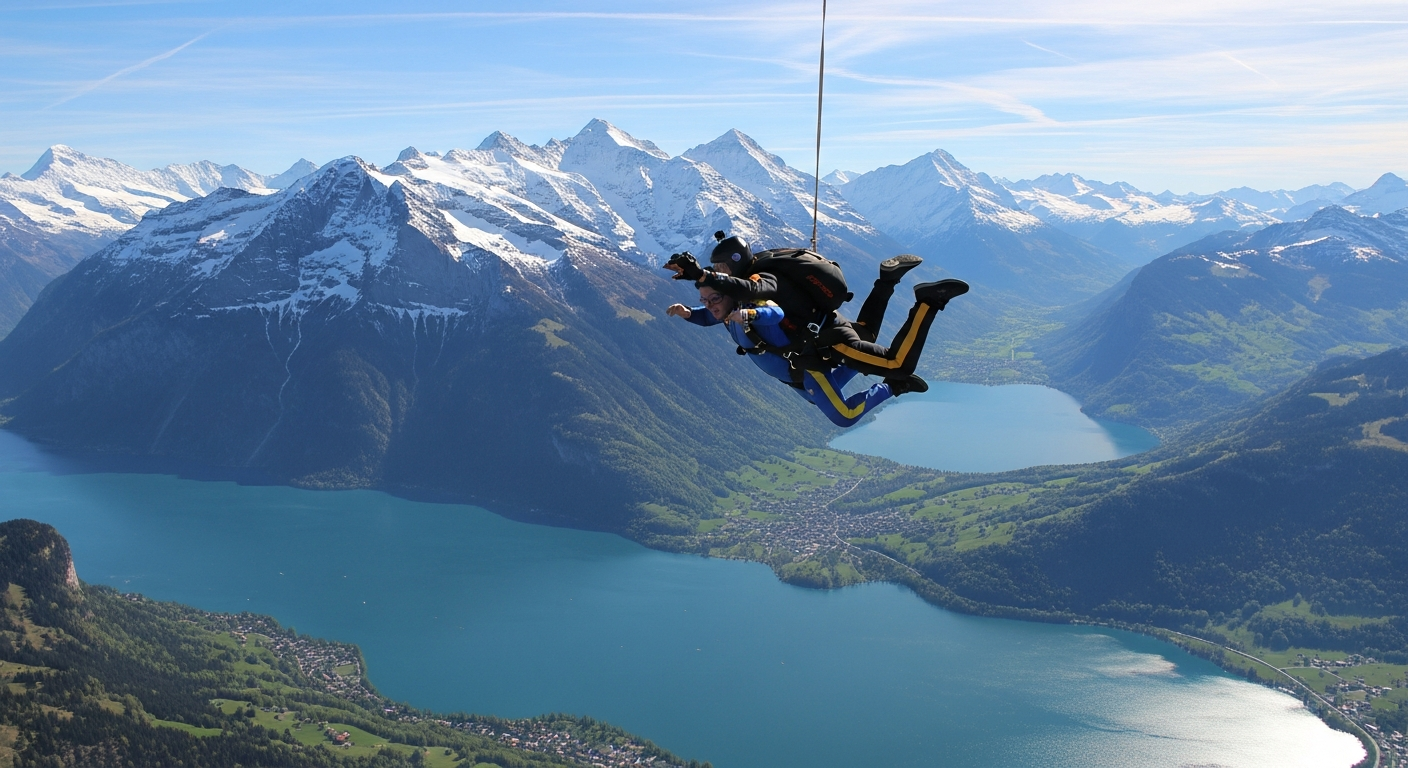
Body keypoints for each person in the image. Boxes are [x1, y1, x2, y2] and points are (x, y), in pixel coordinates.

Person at [666, 235, 968, 382]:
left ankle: (928, 301)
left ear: (735, 262)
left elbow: (752, 289)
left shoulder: (761, 278)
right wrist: (691, 304)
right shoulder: (763, 264)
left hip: (828, 340)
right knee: (866, 333)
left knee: (897, 365)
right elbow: (716, 311)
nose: (719, 273)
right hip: (828, 324)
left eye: (721, 267)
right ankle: (887, 280)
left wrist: (703, 276)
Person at [666, 285, 920, 428]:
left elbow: (774, 314)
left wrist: (749, 315)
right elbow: (706, 316)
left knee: (845, 415)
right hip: (796, 377)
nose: (709, 305)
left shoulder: (748, 309)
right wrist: (688, 312)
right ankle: (862, 358)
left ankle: (893, 386)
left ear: (731, 294)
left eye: (714, 298)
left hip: (807, 370)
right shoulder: (725, 312)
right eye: (704, 300)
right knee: (816, 397)